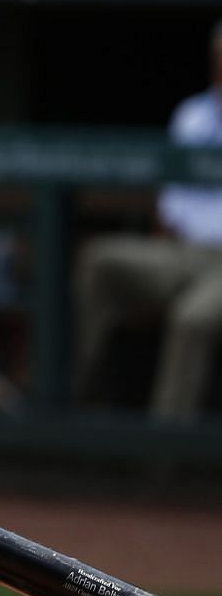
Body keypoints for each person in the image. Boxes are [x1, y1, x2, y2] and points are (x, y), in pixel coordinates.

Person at [75, 22, 222, 424]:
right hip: (179, 251)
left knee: (190, 319)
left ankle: (159, 459)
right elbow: (168, 201)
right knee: (100, 262)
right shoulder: (192, 115)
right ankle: (65, 409)